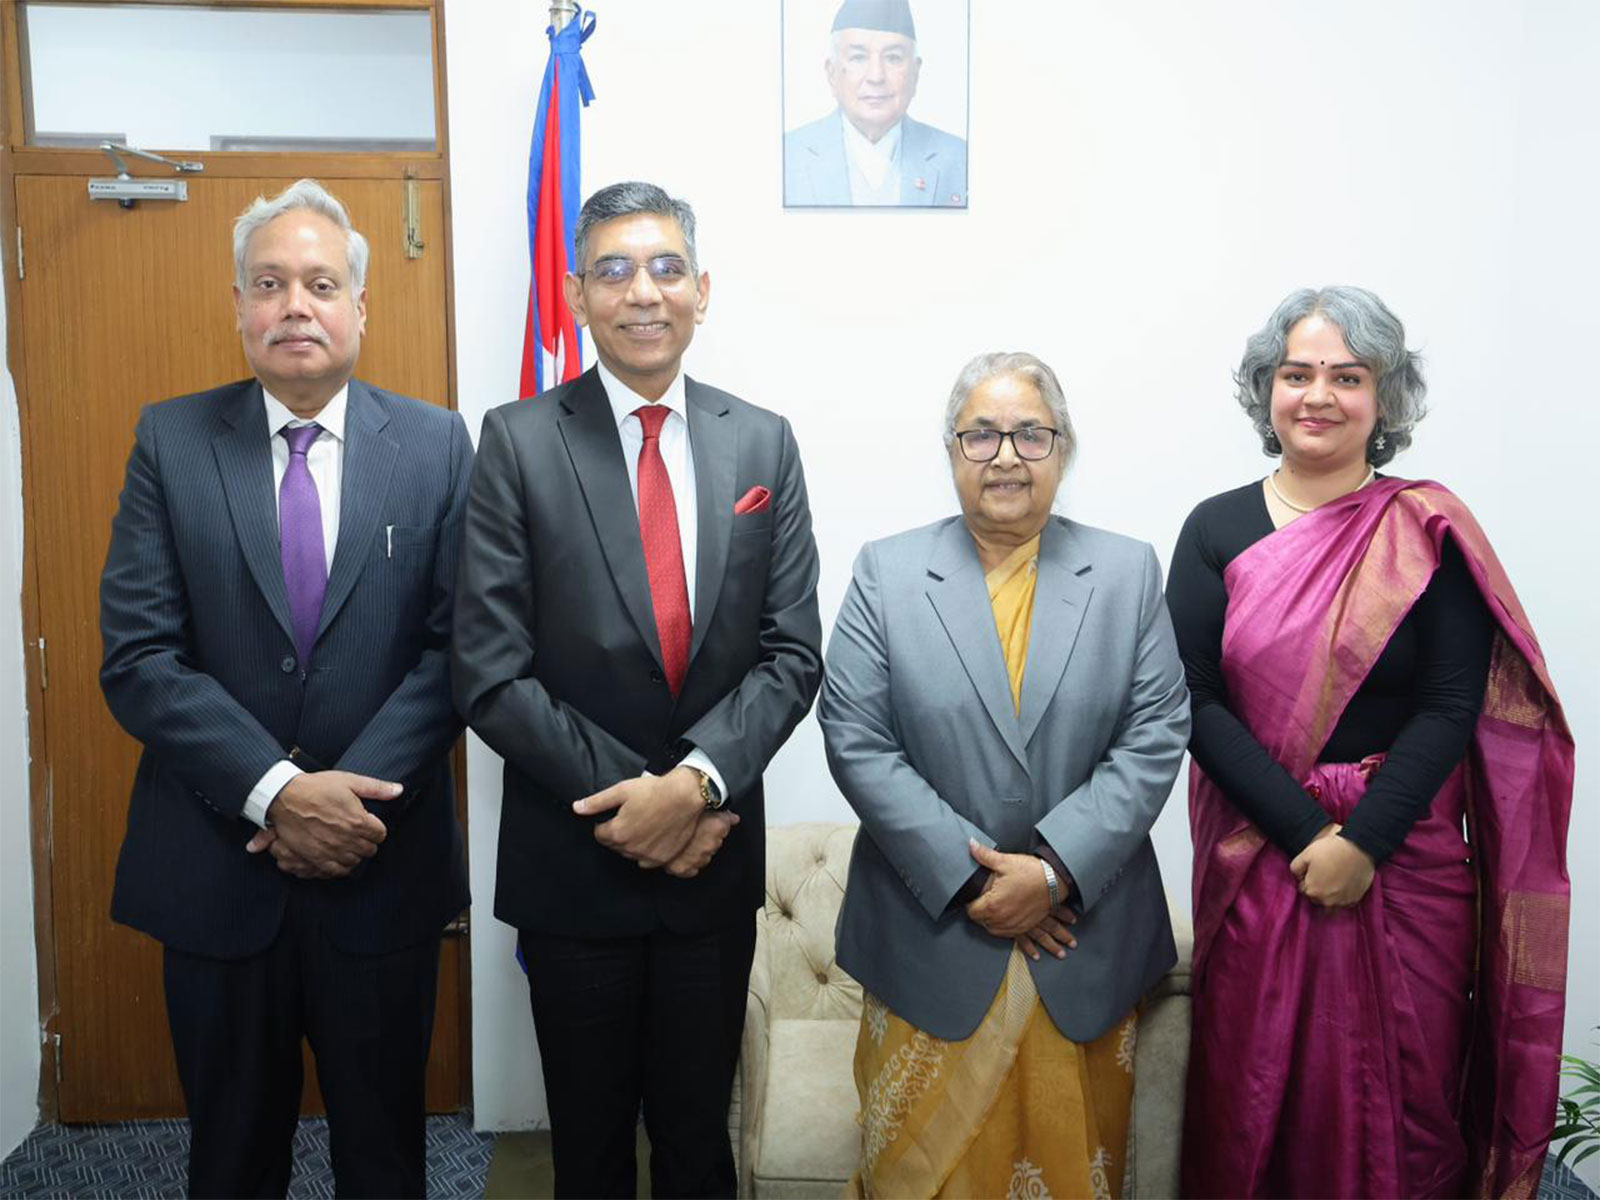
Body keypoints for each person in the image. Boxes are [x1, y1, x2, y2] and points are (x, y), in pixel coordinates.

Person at [100, 178, 472, 1197]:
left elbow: (455, 652)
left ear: (359, 306)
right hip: (216, 867)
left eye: (319, 282)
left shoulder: (438, 447)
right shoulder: (171, 443)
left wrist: (343, 801)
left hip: (379, 867)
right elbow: (138, 655)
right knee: (230, 1159)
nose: (294, 305)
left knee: (387, 1153)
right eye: (270, 283)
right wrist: (278, 792)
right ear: (238, 306)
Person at [452, 180, 822, 1198]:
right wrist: (640, 803)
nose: (642, 292)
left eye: (665, 269)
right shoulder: (517, 440)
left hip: (711, 866)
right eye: (613, 270)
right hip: (575, 865)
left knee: (702, 1143)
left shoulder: (761, 442)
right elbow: (489, 669)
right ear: (576, 295)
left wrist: (695, 788)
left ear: (702, 290)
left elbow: (793, 653)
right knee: (589, 1149)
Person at [1168, 286, 1574, 1198]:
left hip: (1406, 866)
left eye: (1347, 377)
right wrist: (1311, 838)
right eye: (1297, 373)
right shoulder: (1214, 528)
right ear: (1264, 391)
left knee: (1412, 1105)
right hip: (1260, 861)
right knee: (1252, 1096)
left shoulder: (1426, 527)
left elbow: (1450, 702)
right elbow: (1190, 700)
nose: (1319, 395)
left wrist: (1363, 844)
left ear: (1384, 399)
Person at [818, 352, 1189, 1199]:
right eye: (981, 434)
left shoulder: (1127, 574)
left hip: (1084, 945)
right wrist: (976, 880)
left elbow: (1157, 732)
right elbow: (855, 735)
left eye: (1031, 433)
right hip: (930, 934)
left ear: (1064, 450)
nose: (1007, 456)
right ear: (952, 450)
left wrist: (1055, 873)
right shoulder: (887, 572)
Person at [784, 0, 968, 207]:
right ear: (832, 73)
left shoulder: (961, 159)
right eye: (858, 57)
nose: (876, 76)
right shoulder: (787, 156)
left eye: (893, 58)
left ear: (915, 74)